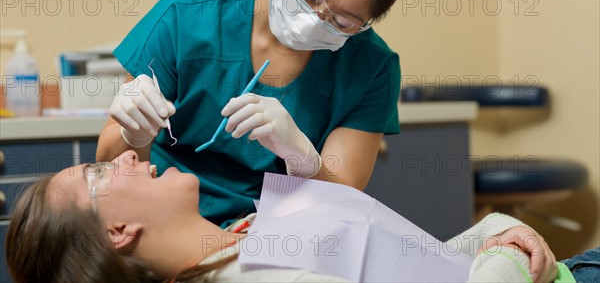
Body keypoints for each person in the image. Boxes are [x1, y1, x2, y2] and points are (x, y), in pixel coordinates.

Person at [98, 0, 410, 227]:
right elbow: (110, 166)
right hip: (167, 222)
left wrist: (304, 161)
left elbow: (343, 205)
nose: (313, 20)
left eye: (342, 21)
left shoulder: (372, 68)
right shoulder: (185, 17)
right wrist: (133, 135)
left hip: (280, 238)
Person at [6, 150, 597, 283]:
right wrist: (501, 248)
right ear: (116, 232)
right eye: (100, 175)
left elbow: (420, 266)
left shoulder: (238, 238)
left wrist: (491, 232)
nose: (126, 155)